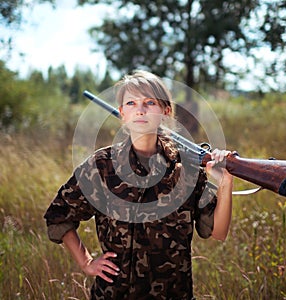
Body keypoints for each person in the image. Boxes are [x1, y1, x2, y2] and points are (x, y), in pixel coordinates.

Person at [44, 70, 233, 300]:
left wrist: (225, 183)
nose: (140, 110)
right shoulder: (101, 167)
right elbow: (58, 215)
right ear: (122, 113)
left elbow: (218, 232)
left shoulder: (189, 168)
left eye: (149, 102)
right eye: (131, 103)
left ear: (165, 111)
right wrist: (87, 263)